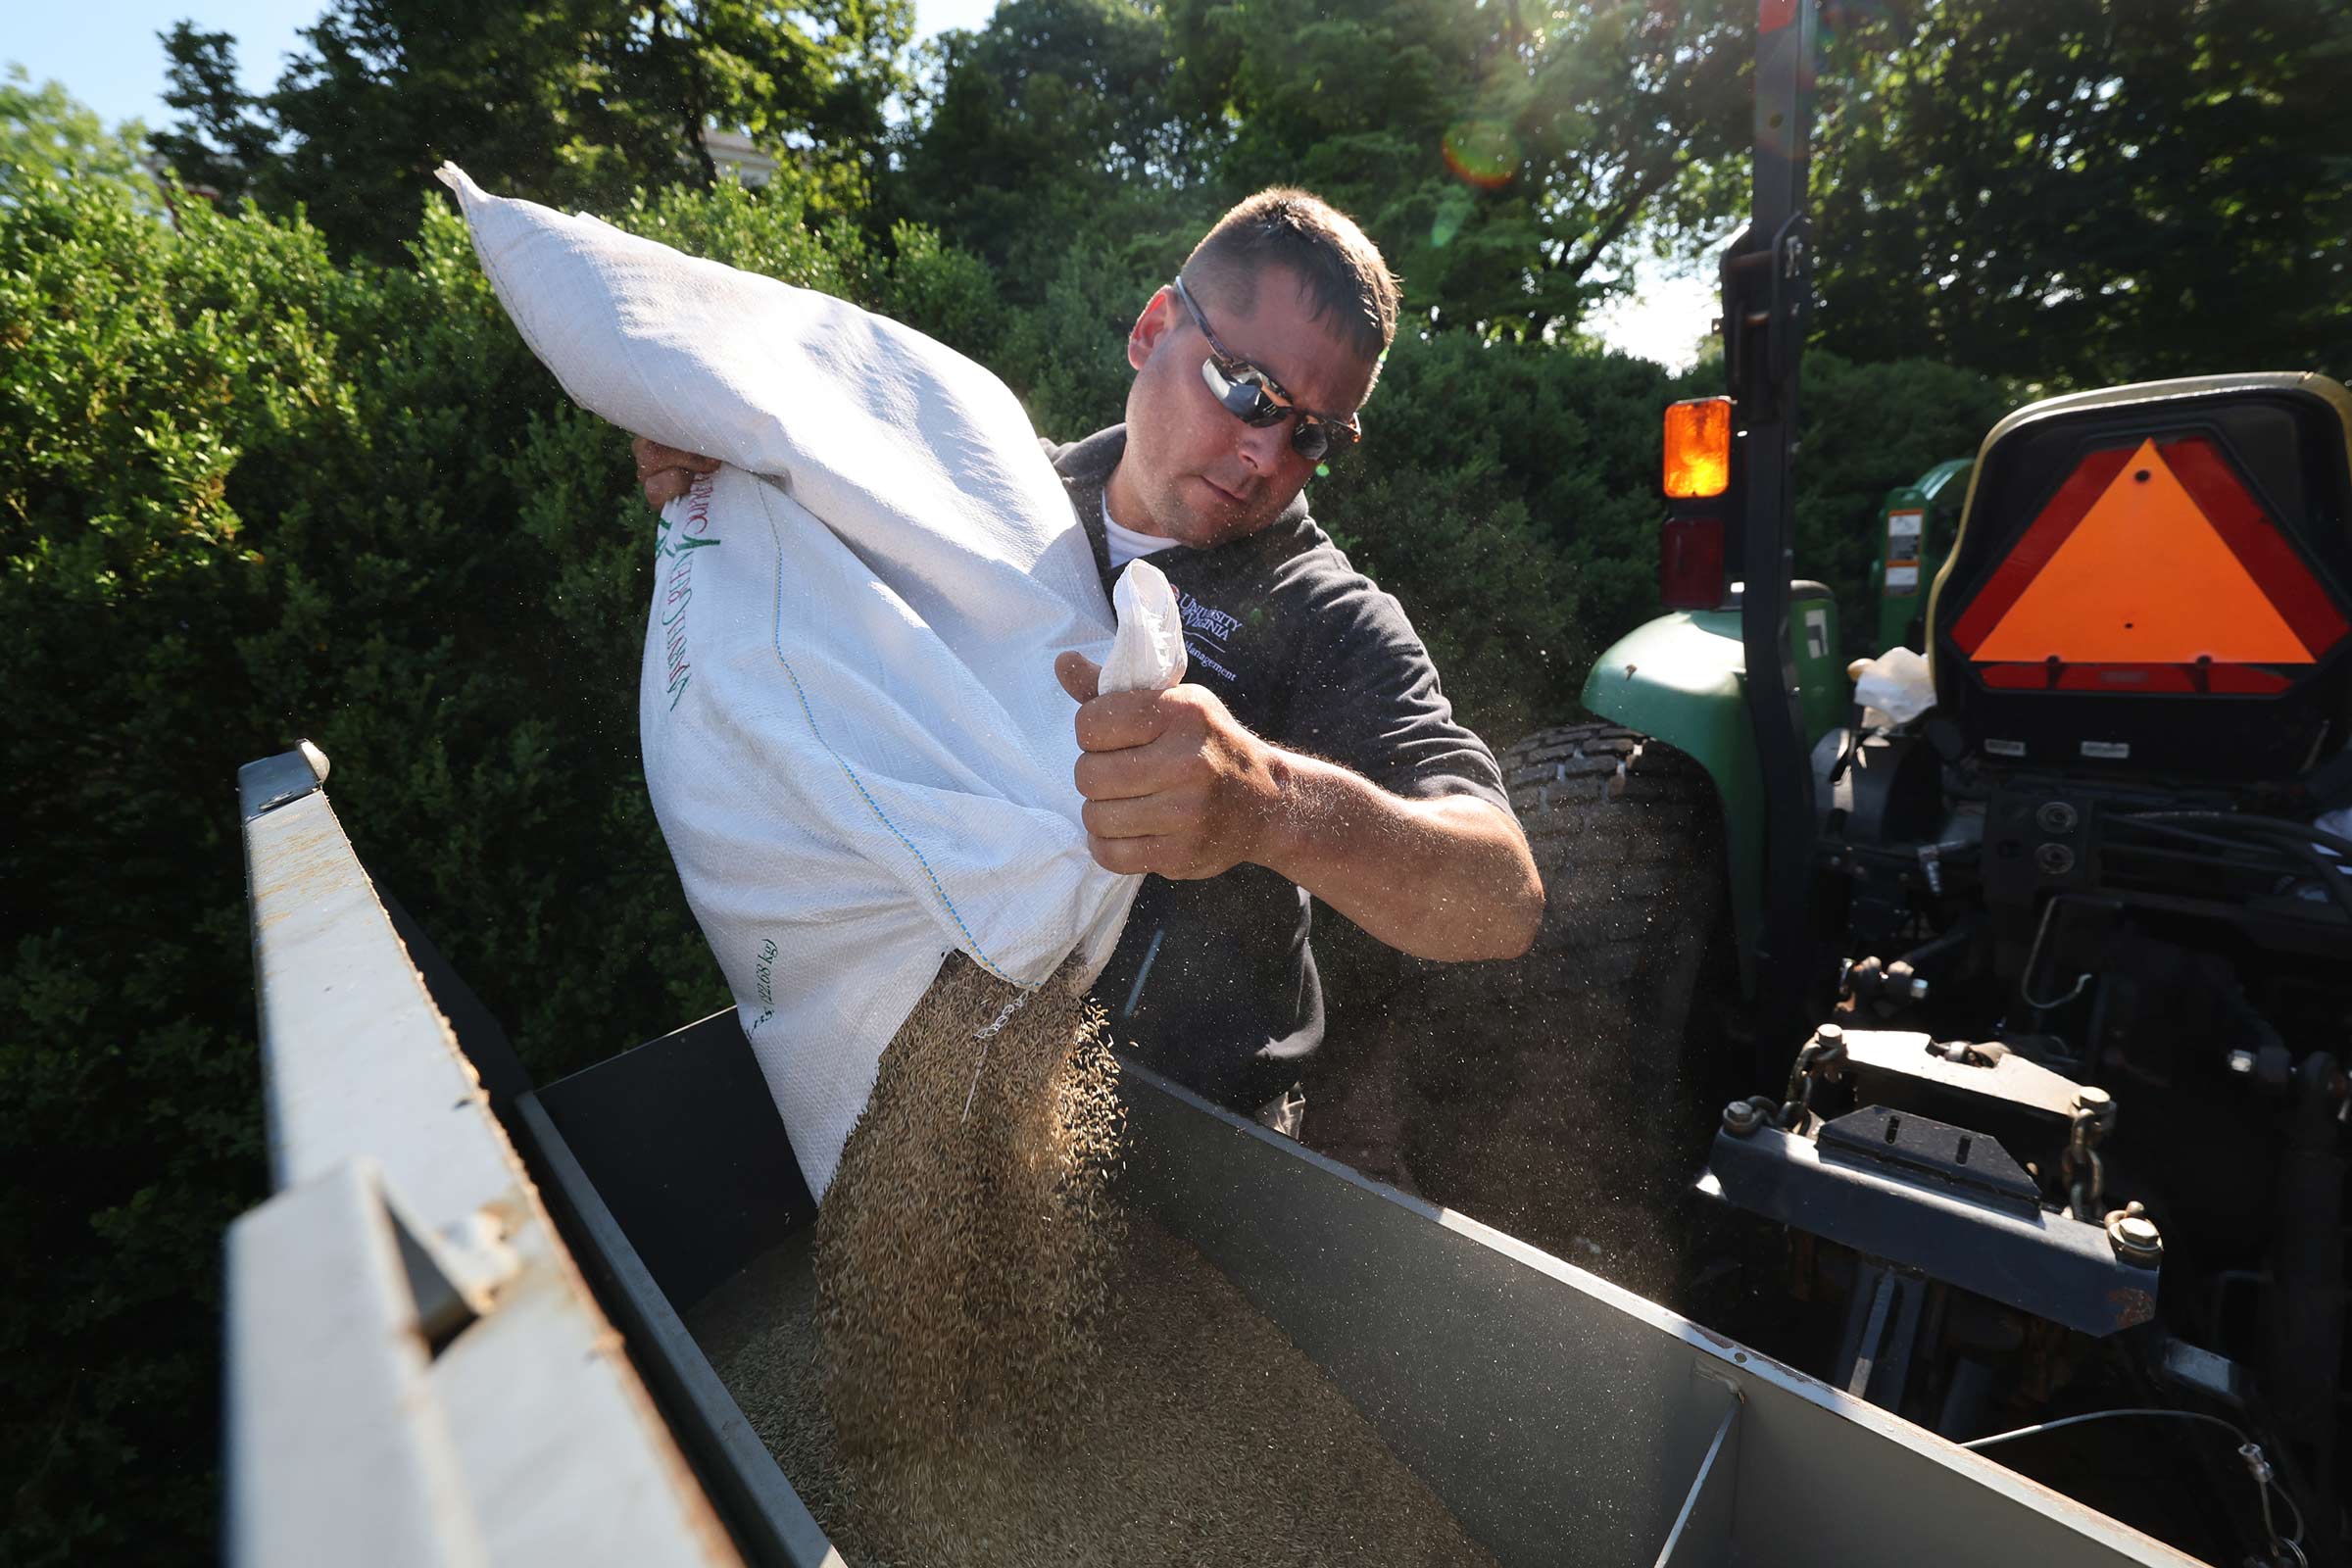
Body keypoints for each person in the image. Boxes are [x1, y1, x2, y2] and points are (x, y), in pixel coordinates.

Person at [635, 189, 1543, 1116]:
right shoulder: (987, 494)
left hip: (1203, 1144)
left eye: (1312, 432)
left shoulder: (1328, 616)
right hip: (936, 1081)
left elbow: (1503, 896)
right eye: (1246, 389)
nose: (1267, 454)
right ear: (1154, 328)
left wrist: (1268, 806)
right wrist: (723, 471)